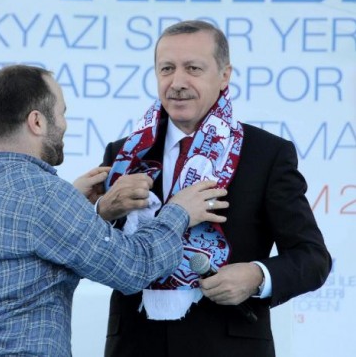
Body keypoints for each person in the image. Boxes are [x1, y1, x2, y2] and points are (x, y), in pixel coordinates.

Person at [0, 64, 230, 357]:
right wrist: (178, 212)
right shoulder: (46, 195)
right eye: (61, 113)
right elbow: (134, 268)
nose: (64, 124)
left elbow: (26, 250)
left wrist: (78, 206)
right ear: (37, 121)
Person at [99, 20, 332, 357]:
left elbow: (312, 258)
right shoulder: (125, 155)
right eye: (167, 69)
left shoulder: (266, 154)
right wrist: (102, 212)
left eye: (193, 68)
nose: (178, 82)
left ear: (224, 76)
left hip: (229, 345)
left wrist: (256, 276)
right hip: (135, 345)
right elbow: (95, 252)